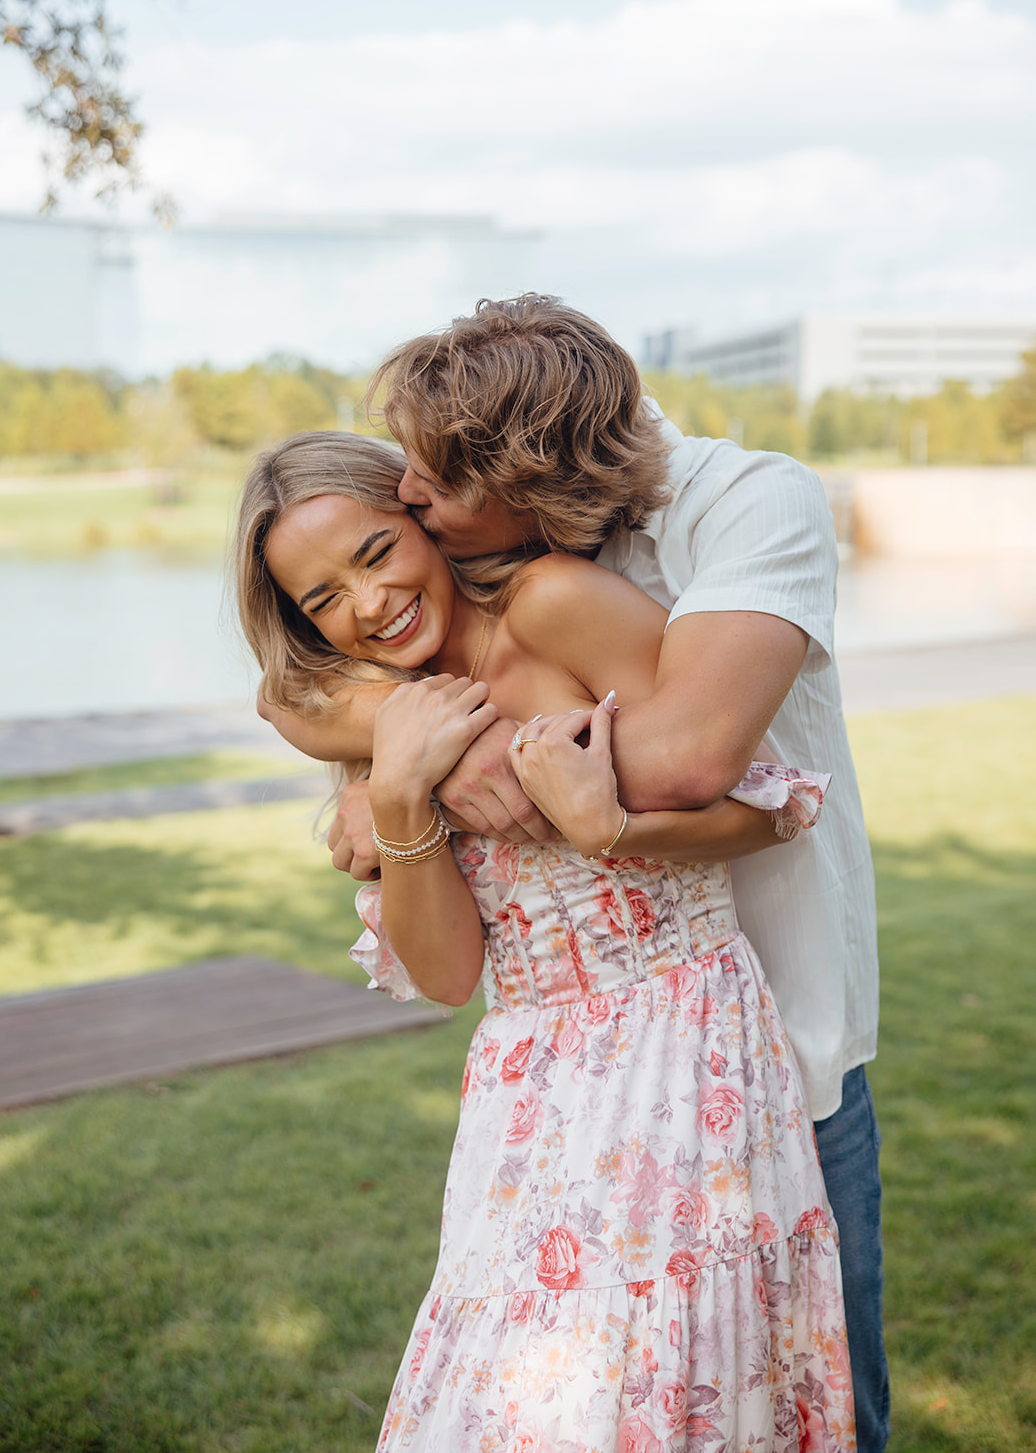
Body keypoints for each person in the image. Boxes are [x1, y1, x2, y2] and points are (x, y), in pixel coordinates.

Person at [257, 297, 889, 1453]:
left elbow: (747, 793)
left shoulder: (576, 587)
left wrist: (526, 776)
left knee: (708, 1377)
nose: (371, 588)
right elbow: (445, 970)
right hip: (529, 1086)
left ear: (501, 493)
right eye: (322, 596)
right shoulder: (396, 718)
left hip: (702, 1043)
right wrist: (397, 787)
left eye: (399, 525)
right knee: (528, 1401)